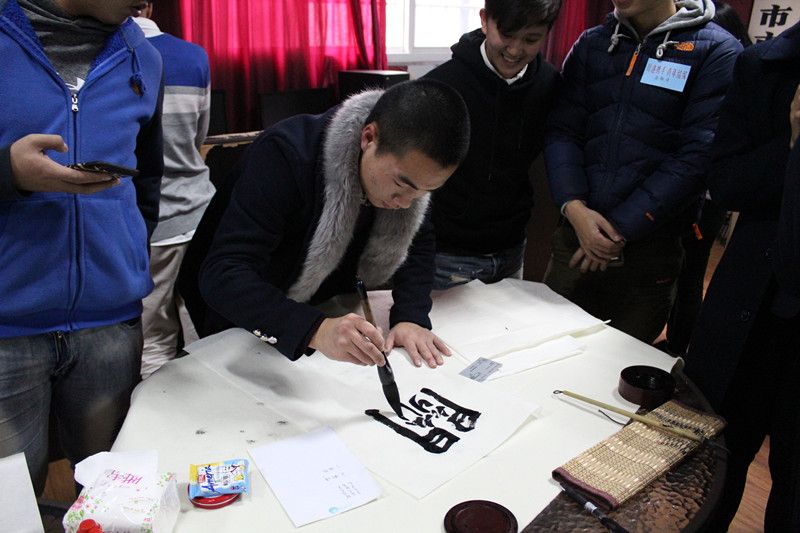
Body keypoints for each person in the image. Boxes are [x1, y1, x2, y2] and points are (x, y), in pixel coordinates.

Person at [0, 0, 163, 495]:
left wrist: (125, 260)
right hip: (6, 330)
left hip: (110, 326)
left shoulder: (143, 56)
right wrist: (8, 173)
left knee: (111, 499)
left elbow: (147, 182)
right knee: (11, 506)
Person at [196, 80, 470, 369]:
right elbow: (223, 274)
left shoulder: (411, 176)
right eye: (401, 185)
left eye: (424, 192)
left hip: (323, 306)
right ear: (368, 138)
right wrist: (314, 329)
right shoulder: (284, 155)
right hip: (245, 314)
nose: (405, 203)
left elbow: (418, 241)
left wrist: (411, 316)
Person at [543, 0, 741, 343]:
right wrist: (573, 207)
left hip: (649, 249)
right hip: (576, 237)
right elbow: (563, 131)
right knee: (546, 351)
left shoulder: (717, 51)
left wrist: (618, 230)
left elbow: (697, 155)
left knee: (623, 363)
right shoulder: (593, 43)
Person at [684, 19, 800, 531]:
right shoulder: (764, 65)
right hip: (749, 304)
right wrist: (793, 143)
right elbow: (727, 182)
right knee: (713, 461)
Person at [422, 0, 561, 289]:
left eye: (531, 39)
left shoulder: (549, 85)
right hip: (447, 256)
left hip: (511, 251)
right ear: (485, 20)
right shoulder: (441, 87)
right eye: (506, 34)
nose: (515, 50)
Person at [657, 0, 752, 356]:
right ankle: (677, 342)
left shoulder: (734, 71)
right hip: (698, 193)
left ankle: (679, 345)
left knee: (690, 273)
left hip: (704, 197)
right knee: (684, 272)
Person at [134, 1, 214, 378]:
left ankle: (160, 409)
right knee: (212, 333)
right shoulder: (194, 56)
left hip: (153, 222)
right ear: (149, 7)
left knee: (155, 337)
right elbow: (199, 137)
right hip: (201, 212)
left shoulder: (116, 56)